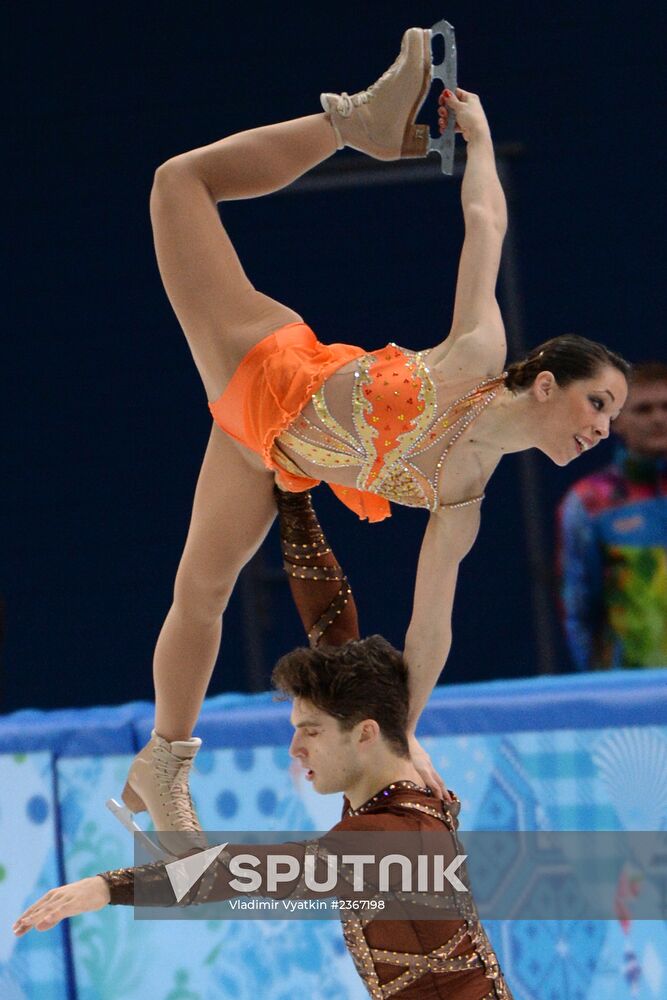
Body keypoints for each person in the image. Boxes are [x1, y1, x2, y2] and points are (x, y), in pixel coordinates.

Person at [119, 25, 630, 838]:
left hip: (267, 451)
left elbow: (430, 628)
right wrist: (483, 139)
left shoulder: (463, 493)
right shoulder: (475, 355)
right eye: (598, 403)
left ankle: (162, 761)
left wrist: (402, 736)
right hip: (265, 362)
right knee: (178, 183)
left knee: (201, 592)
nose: (605, 427)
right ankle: (352, 123)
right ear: (545, 383)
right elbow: (485, 225)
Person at [14, 637, 514, 1000]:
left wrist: (105, 888)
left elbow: (238, 872)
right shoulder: (405, 794)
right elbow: (327, 605)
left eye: (311, 731)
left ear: (365, 733)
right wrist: (295, 496)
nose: (295, 749)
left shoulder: (388, 838)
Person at [558, 362, 667, 669]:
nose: (658, 418)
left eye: (665, 407)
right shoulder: (590, 502)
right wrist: (601, 690)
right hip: (632, 691)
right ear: (615, 420)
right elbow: (577, 609)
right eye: (644, 410)